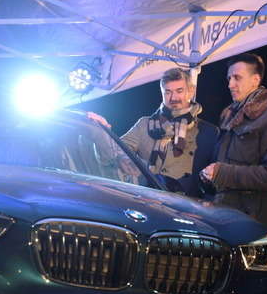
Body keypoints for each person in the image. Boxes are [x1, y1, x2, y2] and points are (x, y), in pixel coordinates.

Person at [200, 53, 267, 238]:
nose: (230, 84)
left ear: (255, 80)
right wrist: (208, 178)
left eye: (237, 78)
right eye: (229, 78)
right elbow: (220, 165)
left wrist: (222, 173)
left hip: (253, 223)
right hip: (221, 216)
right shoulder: (228, 114)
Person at [88, 67, 219, 198]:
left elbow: (214, 182)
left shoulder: (208, 132)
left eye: (179, 91)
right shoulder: (144, 125)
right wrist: (102, 133)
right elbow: (114, 152)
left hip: (186, 205)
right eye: (168, 92)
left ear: (191, 91)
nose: (173, 98)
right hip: (148, 201)